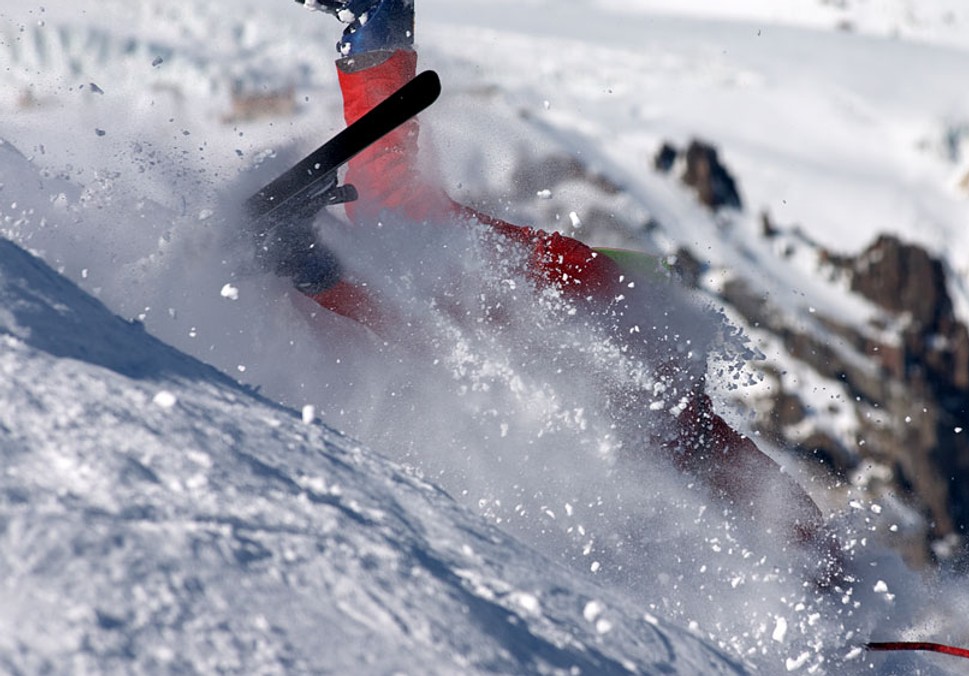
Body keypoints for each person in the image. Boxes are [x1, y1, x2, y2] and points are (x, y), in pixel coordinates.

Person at [270, 0, 833, 565]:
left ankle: (313, 262)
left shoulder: (654, 447)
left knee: (403, 299)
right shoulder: (671, 427)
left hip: (586, 304)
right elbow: (775, 502)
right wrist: (835, 576)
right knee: (398, 223)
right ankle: (378, 24)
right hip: (579, 295)